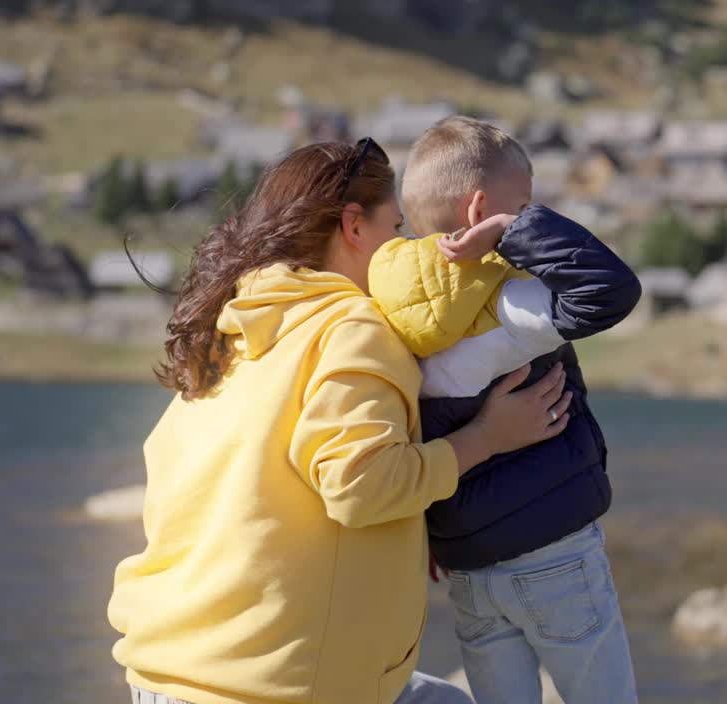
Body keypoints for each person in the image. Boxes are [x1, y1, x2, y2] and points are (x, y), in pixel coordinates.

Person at [107, 139, 570, 704]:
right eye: (396, 228)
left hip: (167, 676)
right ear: (354, 227)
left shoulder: (234, 330)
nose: (407, 247)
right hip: (272, 686)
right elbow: (360, 485)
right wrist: (487, 439)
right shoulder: (352, 326)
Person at [368, 116, 641, 704]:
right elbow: (610, 290)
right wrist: (514, 233)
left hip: (468, 567)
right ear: (479, 211)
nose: (527, 216)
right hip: (555, 554)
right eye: (523, 204)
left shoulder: (382, 312)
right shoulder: (501, 301)